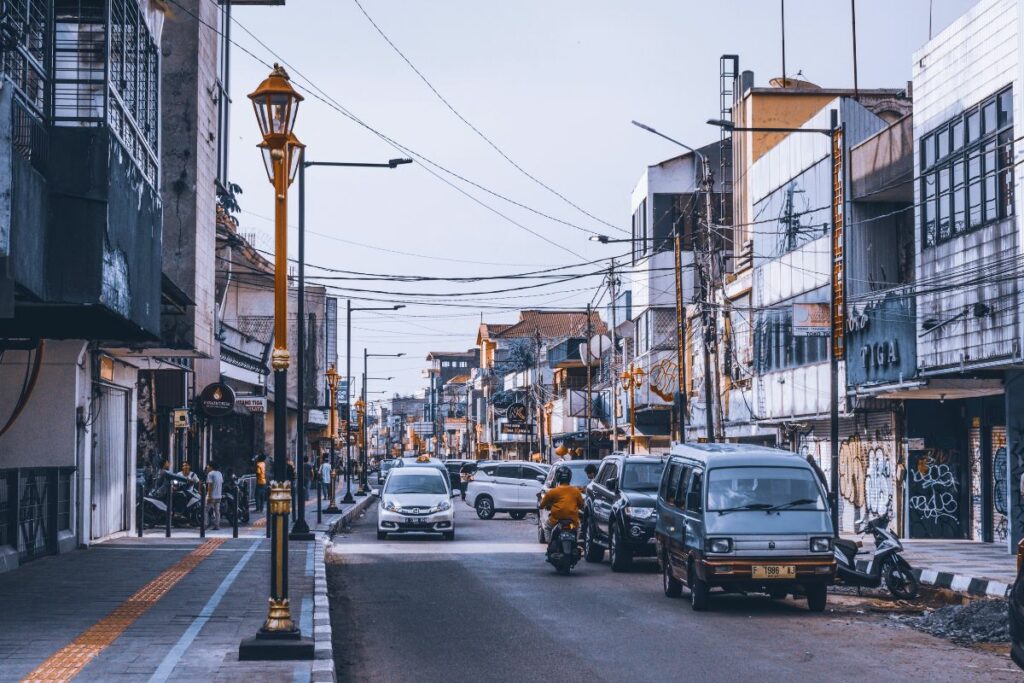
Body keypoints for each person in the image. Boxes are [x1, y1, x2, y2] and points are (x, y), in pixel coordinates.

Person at [539, 466, 585, 555]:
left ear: (558, 477)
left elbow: (542, 504)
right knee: (578, 528)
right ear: (569, 477)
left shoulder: (553, 491)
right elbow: (581, 505)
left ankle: (549, 544)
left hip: (556, 519)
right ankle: (575, 543)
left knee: (547, 527)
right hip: (573, 520)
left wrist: (541, 505)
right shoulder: (576, 491)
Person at [206, 461, 224, 530]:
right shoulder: (219, 473)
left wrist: (209, 496)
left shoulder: (210, 474)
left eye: (208, 466)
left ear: (211, 467)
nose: (207, 467)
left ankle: (205, 524)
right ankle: (217, 525)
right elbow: (221, 483)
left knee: (205, 510)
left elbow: (210, 486)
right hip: (219, 496)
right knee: (217, 511)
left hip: (212, 496)